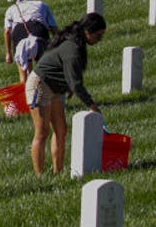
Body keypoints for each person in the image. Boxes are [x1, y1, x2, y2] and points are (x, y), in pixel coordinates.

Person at [26, 13, 107, 175]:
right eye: (98, 36)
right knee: (42, 133)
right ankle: (39, 175)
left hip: (55, 88)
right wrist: (92, 106)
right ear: (87, 32)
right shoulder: (73, 48)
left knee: (61, 130)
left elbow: (69, 74)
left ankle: (58, 171)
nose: (100, 40)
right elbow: (76, 83)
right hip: (40, 84)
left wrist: (68, 88)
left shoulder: (77, 43)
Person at [4, 0, 59, 84]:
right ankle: (40, 93)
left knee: (23, 78)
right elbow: (53, 28)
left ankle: (26, 93)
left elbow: (7, 32)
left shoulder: (11, 8)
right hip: (38, 30)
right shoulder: (41, 5)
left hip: (19, 32)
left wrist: (8, 54)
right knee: (42, 73)